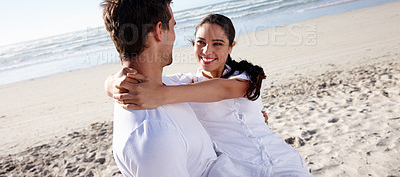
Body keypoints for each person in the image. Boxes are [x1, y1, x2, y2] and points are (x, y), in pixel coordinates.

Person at [107, 12, 312, 176]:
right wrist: (111, 83)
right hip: (238, 169)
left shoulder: (246, 77)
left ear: (231, 47)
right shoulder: (186, 83)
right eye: (200, 42)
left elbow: (222, 90)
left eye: (218, 44)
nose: (207, 50)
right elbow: (145, 79)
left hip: (280, 160)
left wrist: (162, 95)